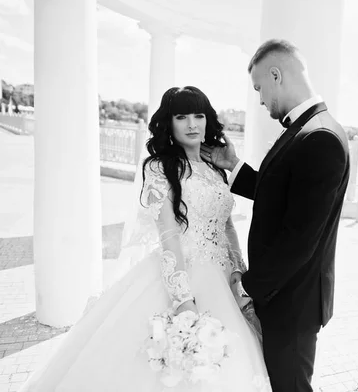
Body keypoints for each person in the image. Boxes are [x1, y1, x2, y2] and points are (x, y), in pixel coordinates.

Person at [19, 86, 271, 392]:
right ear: (170, 123)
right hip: (182, 273)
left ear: (208, 121)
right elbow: (169, 235)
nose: (192, 124)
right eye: (181, 116)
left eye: (198, 115)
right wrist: (183, 300)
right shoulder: (159, 168)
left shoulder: (216, 168)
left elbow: (226, 225)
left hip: (223, 275)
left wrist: (237, 270)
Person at [201, 39, 350, 392]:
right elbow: (280, 197)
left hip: (292, 303)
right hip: (284, 296)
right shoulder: (306, 130)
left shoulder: (320, 138)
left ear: (276, 74)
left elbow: (299, 239)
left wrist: (248, 286)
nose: (260, 99)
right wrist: (232, 166)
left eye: (259, 88)